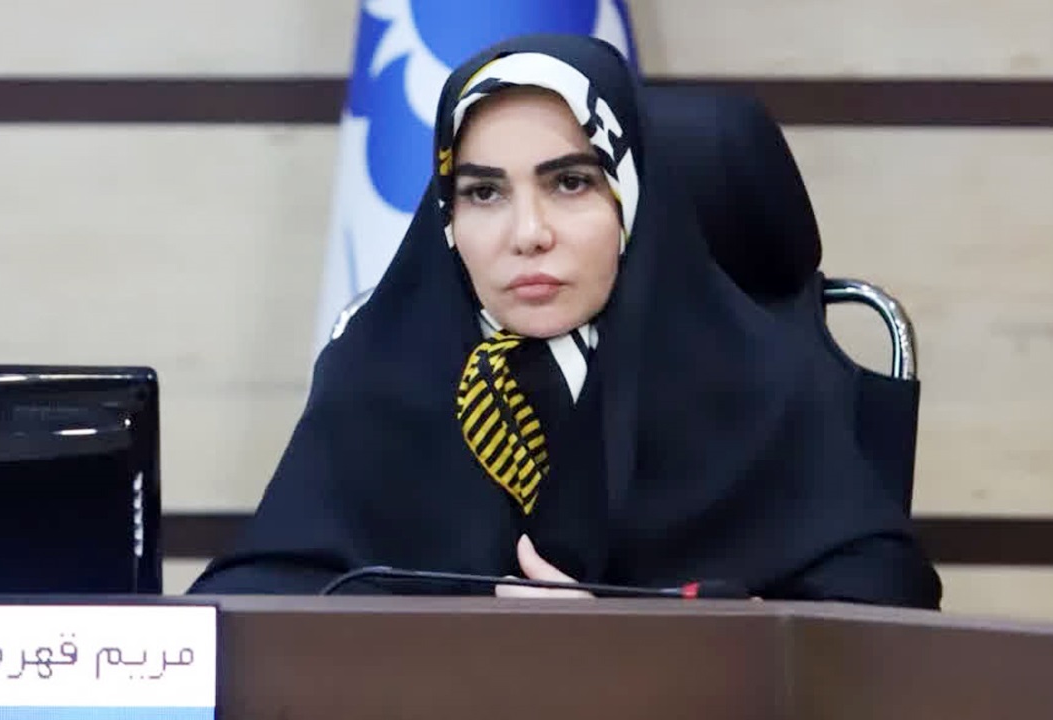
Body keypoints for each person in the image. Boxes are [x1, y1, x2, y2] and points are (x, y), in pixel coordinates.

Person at [188, 33, 942, 608]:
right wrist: (450, 630)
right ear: (447, 217)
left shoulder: (753, 371)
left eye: (571, 183)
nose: (528, 233)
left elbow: (886, 596)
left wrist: (649, 639)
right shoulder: (379, 369)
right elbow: (254, 596)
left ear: (631, 201)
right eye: (484, 193)